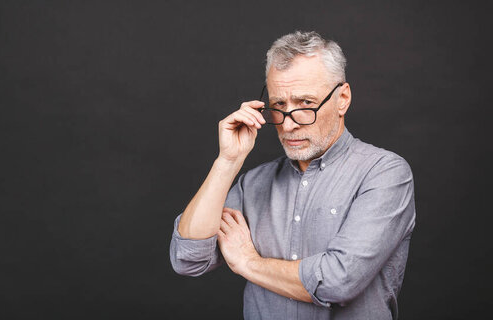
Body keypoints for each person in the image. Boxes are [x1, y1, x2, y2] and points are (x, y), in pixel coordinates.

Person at [169, 31, 416, 320]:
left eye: (306, 104)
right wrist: (228, 161)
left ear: (343, 99)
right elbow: (188, 258)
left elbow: (338, 281)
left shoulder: (384, 173)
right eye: (279, 106)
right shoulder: (253, 184)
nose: (288, 125)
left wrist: (248, 262)